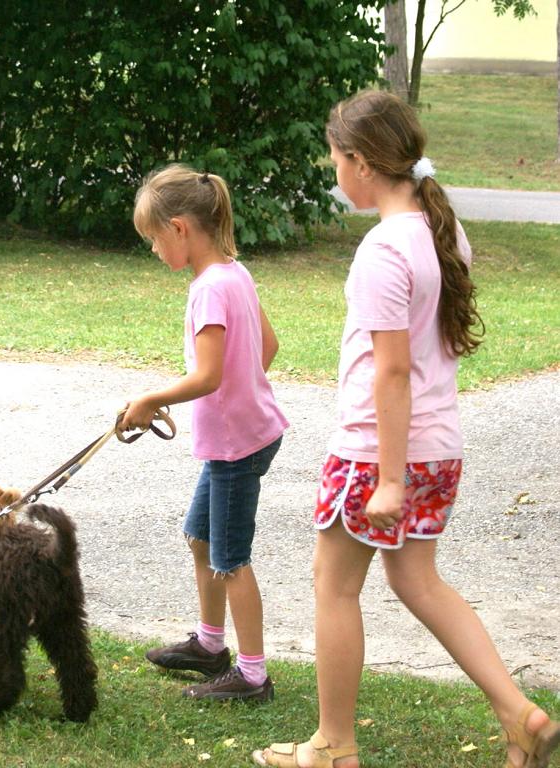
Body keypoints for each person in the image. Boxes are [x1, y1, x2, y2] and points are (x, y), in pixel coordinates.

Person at [253, 90, 559, 768]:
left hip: (379, 451)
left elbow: (391, 373)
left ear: (360, 162)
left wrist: (388, 479)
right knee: (416, 580)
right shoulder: (443, 231)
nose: (334, 172)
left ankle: (333, 746)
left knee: (333, 585)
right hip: (438, 447)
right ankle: (520, 714)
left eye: (335, 159)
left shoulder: (383, 250)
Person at [121, 163, 288, 703]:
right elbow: (268, 346)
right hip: (242, 435)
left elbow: (209, 374)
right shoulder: (233, 273)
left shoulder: (208, 290)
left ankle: (253, 675)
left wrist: (150, 399)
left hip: (237, 445)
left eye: (152, 239)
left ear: (179, 230)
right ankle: (210, 646)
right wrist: (235, 391)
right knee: (201, 537)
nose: (152, 251)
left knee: (230, 558)